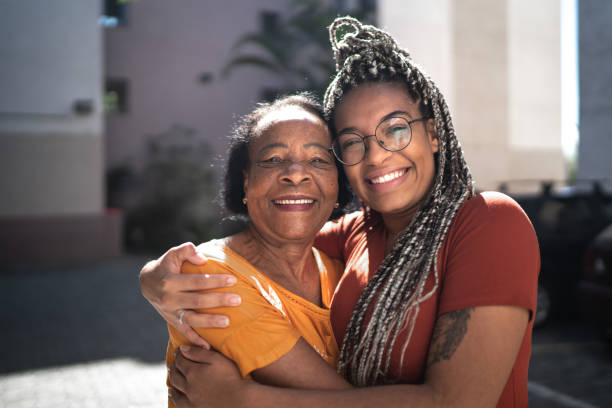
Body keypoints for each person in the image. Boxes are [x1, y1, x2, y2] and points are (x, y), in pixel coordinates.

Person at [142, 17, 540, 407]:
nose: (377, 155)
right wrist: (156, 278)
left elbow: (455, 402)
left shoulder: (489, 222)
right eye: (352, 142)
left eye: (396, 129)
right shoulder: (358, 234)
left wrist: (246, 399)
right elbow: (272, 239)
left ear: (434, 134)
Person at [163, 93, 355, 407]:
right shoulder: (209, 273)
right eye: (273, 160)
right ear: (246, 181)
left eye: (318, 160)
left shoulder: (341, 274)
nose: (295, 173)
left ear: (338, 185)